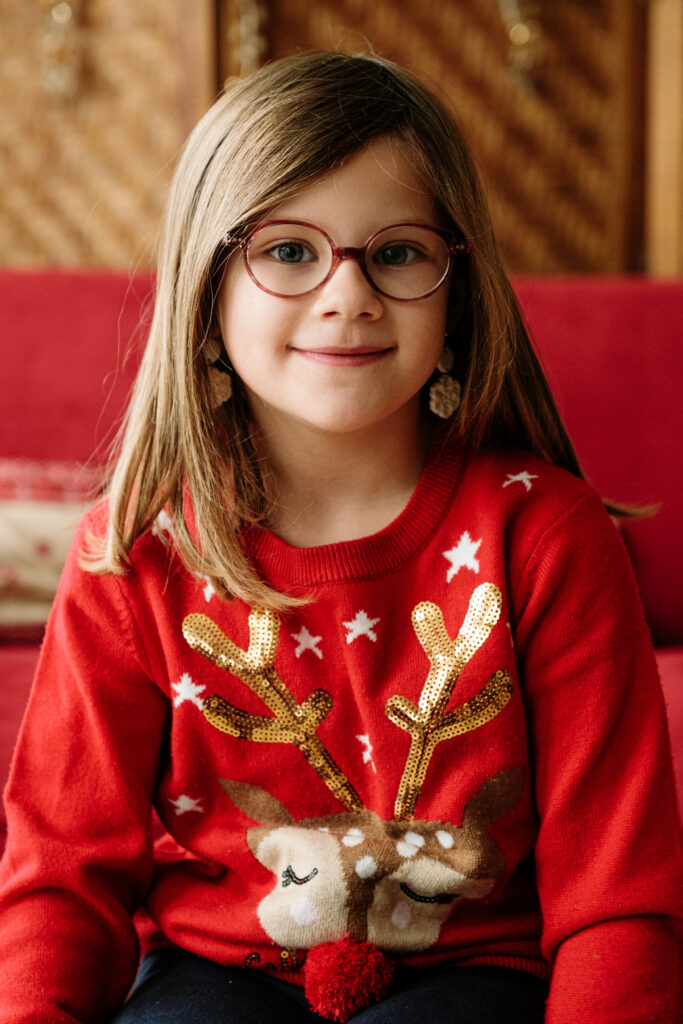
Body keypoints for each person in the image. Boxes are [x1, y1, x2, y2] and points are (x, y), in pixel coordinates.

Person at [0, 50, 680, 1024]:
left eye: (396, 251)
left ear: (455, 288)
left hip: (472, 975)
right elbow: (59, 882)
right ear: (206, 292)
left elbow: (620, 905)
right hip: (211, 972)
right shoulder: (135, 552)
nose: (346, 293)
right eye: (286, 250)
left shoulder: (545, 534)